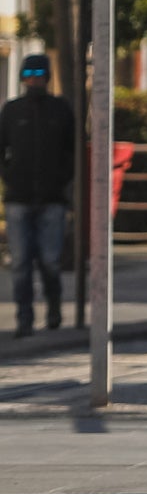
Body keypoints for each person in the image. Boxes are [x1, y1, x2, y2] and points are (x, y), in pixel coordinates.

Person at [0, 53, 75, 336]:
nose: (33, 80)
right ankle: (24, 318)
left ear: (47, 77)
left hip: (52, 199)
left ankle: (53, 308)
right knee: (20, 263)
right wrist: (9, 177)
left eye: (39, 74)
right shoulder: (12, 110)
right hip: (18, 198)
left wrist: (62, 180)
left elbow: (72, 151)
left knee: (50, 260)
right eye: (28, 74)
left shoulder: (60, 109)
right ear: (22, 78)